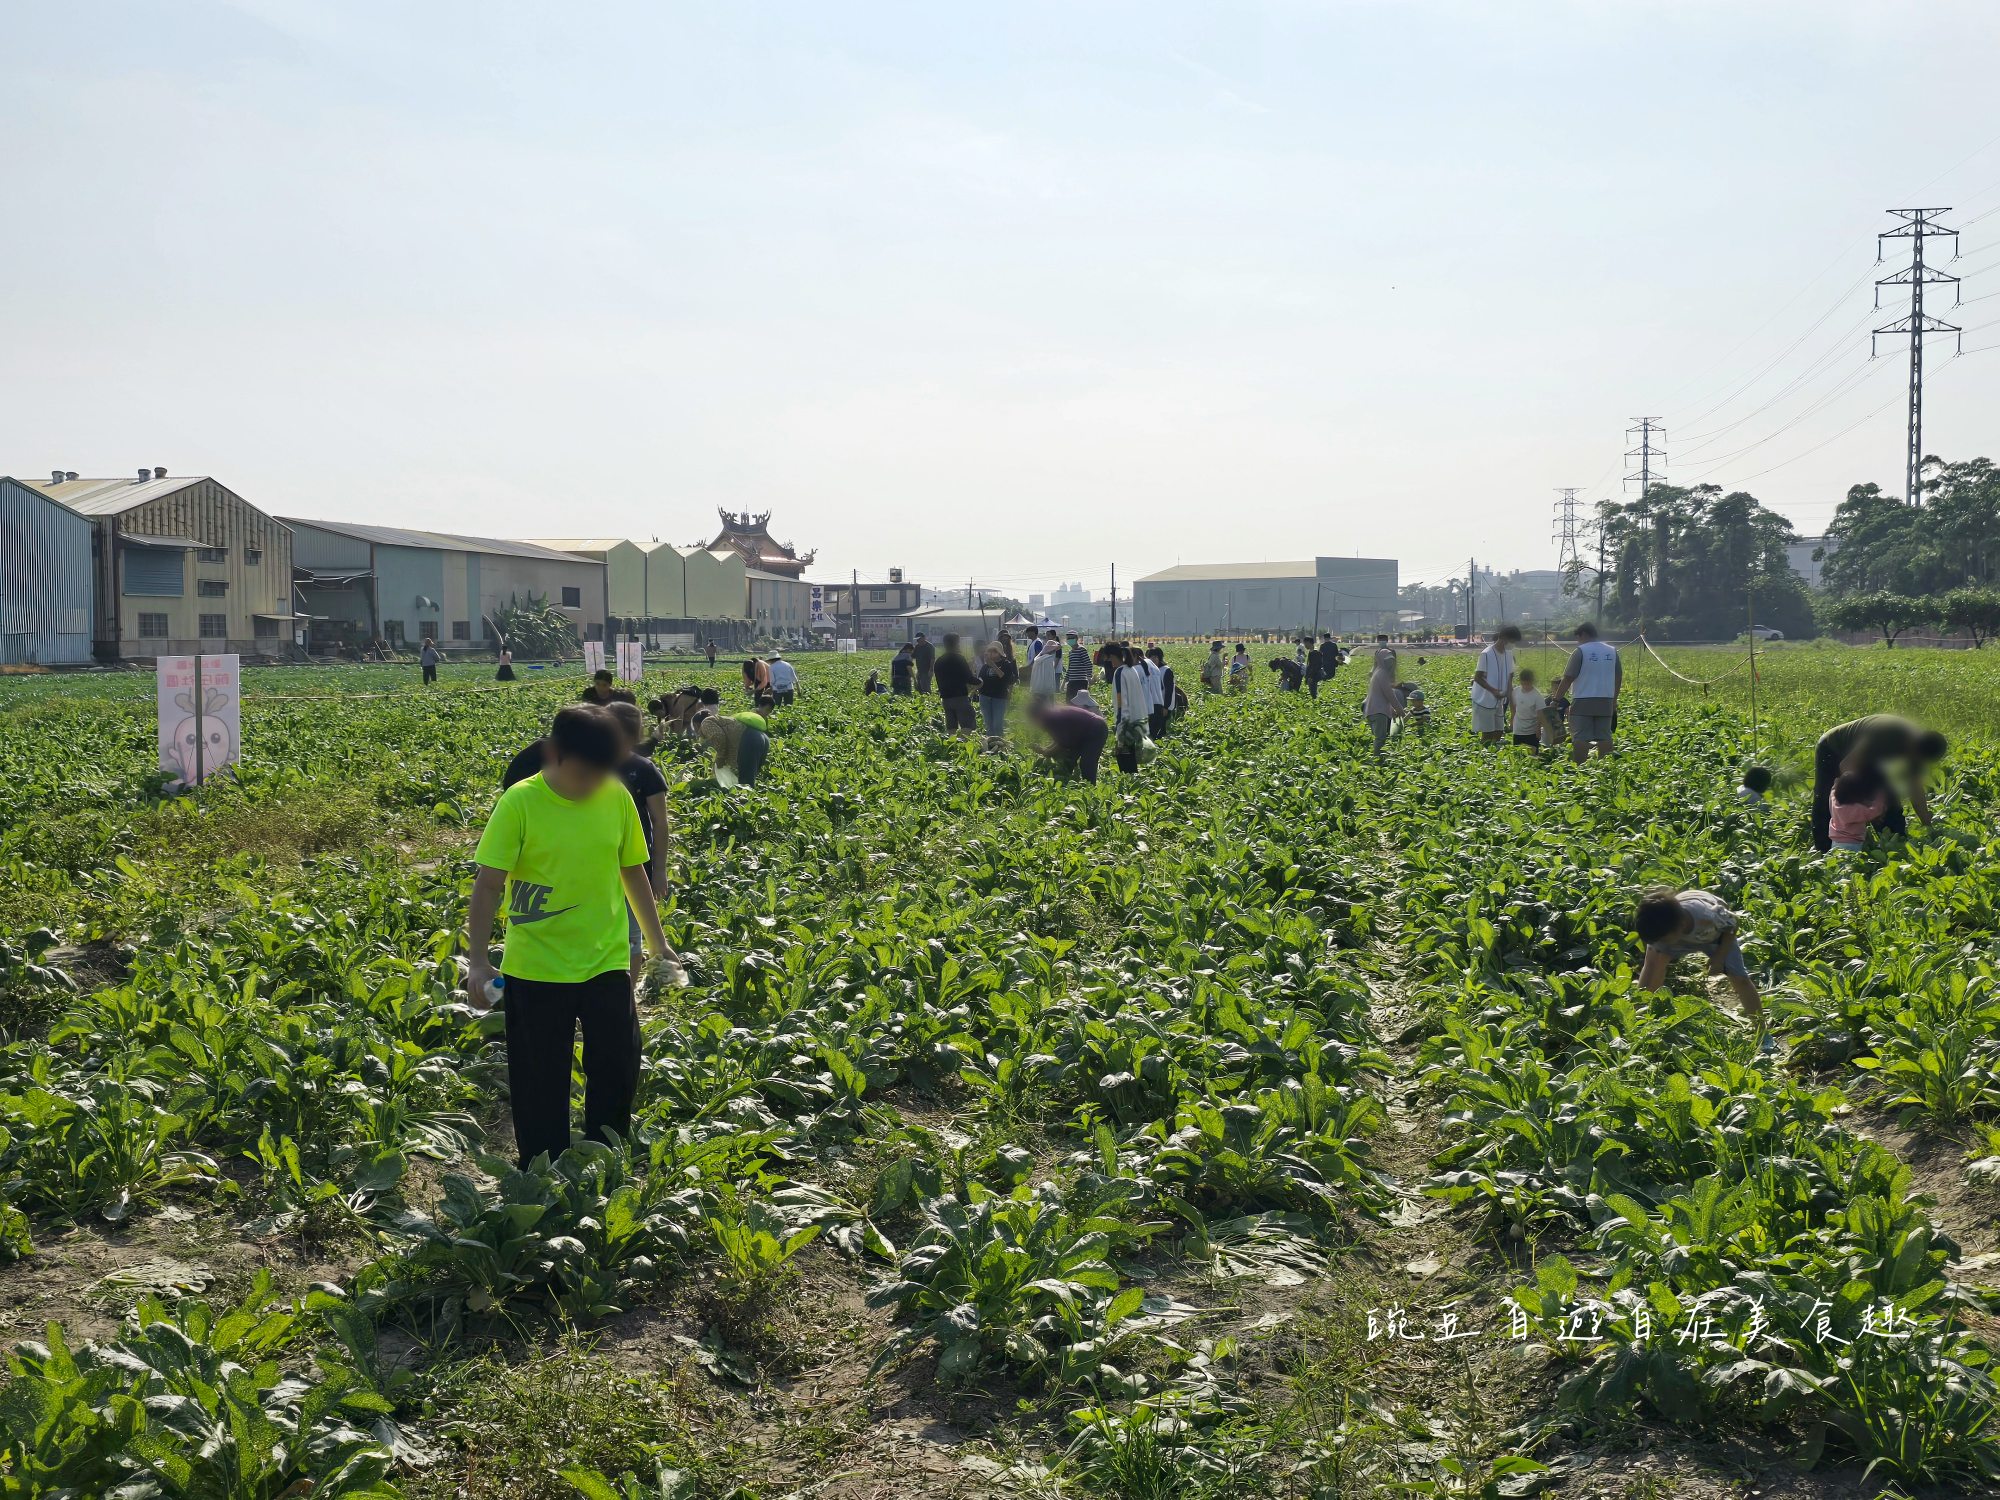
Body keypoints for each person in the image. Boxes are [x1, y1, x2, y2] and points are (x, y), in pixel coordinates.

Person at [466, 705, 670, 1168]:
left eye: (601, 774)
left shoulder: (615, 794)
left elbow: (632, 871)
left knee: (617, 1067)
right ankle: (542, 1171)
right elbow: (488, 885)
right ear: (555, 754)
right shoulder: (519, 802)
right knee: (540, 1079)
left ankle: (605, 1159)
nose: (590, 786)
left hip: (606, 961)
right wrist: (478, 961)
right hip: (537, 969)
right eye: (583, 774)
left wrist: (657, 942)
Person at [1809, 715, 1947, 853]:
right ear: (1912, 745)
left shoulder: (1919, 750)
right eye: (1914, 756)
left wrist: (1927, 824)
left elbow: (1915, 789)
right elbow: (1846, 766)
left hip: (1867, 758)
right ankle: (1824, 850)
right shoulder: (1885, 734)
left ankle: (1895, 841)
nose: (1913, 761)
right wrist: (1866, 806)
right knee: (1831, 799)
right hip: (1834, 748)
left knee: (1885, 797)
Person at [1635, 887, 1763, 1032]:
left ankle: (1762, 1031)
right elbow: (1651, 965)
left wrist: (1719, 957)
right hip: (1675, 935)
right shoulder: (1660, 930)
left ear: (1681, 926)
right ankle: (1642, 1016)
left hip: (1716, 935)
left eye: (1662, 940)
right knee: (1654, 965)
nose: (1659, 943)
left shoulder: (1707, 916)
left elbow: (1732, 924)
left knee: (1740, 978)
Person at [1553, 622, 1622, 762]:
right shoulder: (1611, 651)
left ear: (1583, 634)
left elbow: (1568, 678)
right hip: (1606, 700)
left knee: (1580, 737)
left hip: (1583, 699)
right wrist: (1614, 700)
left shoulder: (1581, 651)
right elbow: (1618, 676)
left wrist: (1556, 700)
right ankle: (1605, 767)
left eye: (1578, 637)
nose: (1578, 641)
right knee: (1604, 736)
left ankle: (1580, 767)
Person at [1029, 697, 1109, 782]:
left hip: (1096, 729)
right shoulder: (1051, 717)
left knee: (1087, 763)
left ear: (1040, 715)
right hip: (1081, 733)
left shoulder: (1053, 717)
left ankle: (1091, 788)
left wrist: (1046, 752)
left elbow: (1062, 744)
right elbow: (1059, 740)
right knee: (1069, 759)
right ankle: (1068, 782)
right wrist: (1046, 749)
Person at [1470, 625, 1520, 744]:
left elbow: (1509, 680)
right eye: (1511, 641)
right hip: (1484, 700)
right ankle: (1484, 757)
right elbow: (1477, 678)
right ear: (1502, 637)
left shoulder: (1509, 655)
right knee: (1487, 734)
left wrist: (1513, 708)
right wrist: (1493, 691)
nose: (1512, 644)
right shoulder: (1486, 654)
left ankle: (1492, 755)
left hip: (1499, 701)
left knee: (1499, 731)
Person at [698, 707, 770, 785]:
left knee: (745, 783)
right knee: (749, 777)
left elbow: (719, 736)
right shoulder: (724, 721)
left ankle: (745, 795)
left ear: (696, 724)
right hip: (763, 738)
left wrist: (720, 758)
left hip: (750, 738)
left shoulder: (705, 723)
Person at [1827, 766, 1889, 853]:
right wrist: (1880, 796)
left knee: (1839, 863)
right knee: (1850, 865)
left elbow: (1833, 790)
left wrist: (1837, 783)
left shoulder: (1834, 801)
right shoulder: (1854, 810)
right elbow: (1875, 811)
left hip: (1836, 842)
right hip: (1852, 844)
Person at [1112, 646, 1153, 774]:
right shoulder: (1132, 670)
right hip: (1137, 721)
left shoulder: (1120, 673)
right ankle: (1133, 781)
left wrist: (1120, 728)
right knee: (1130, 756)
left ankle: (1128, 783)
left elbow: (1121, 703)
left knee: (1123, 757)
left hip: (1126, 723)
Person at [933, 633, 978, 736]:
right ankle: (964, 747)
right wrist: (980, 682)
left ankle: (952, 747)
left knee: (951, 726)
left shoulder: (939, 661)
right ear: (957, 643)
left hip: (946, 699)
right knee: (967, 725)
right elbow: (969, 678)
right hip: (960, 698)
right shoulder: (959, 659)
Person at [1362, 652, 1403, 753]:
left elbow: (1380, 696)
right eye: (1388, 661)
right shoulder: (1383, 674)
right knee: (1380, 739)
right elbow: (1389, 695)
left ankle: (1378, 759)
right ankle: (1377, 762)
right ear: (1381, 661)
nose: (1390, 663)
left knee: (1379, 737)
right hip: (1378, 712)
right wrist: (1400, 710)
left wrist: (1392, 710)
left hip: (1372, 710)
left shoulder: (1378, 672)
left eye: (1391, 660)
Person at [977, 643, 1014, 743]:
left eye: (994, 651)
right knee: (988, 724)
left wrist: (993, 665)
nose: (991, 653)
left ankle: (1000, 744)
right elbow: (980, 680)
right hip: (985, 697)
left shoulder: (1006, 664)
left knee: (997, 724)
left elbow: (1005, 678)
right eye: (989, 651)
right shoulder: (985, 666)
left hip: (999, 697)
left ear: (1000, 653)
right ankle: (991, 745)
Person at [1511, 669, 1547, 749]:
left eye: (1528, 684)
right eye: (1523, 684)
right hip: (1518, 730)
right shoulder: (1516, 691)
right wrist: (1512, 720)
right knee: (1518, 754)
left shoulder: (1537, 696)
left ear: (1532, 681)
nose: (1525, 686)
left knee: (1532, 756)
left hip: (1532, 731)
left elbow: (1540, 714)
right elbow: (1513, 707)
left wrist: (1538, 729)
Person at [1146, 646, 1177, 736]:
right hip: (1154, 705)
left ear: (1160, 658)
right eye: (1151, 657)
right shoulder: (1150, 670)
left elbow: (1169, 690)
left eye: (1156, 657)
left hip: (1163, 705)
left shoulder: (1166, 670)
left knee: (1160, 730)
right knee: (1153, 729)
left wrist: (1166, 707)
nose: (1154, 659)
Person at [1028, 635, 1062, 709]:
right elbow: (1049, 677)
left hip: (1036, 687)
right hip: (1046, 690)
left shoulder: (1037, 659)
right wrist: (1051, 692)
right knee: (1046, 709)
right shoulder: (1049, 659)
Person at [1064, 632, 1093, 699]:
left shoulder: (1081, 650)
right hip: (1072, 681)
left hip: (1081, 681)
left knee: (1080, 703)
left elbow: (1088, 664)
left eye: (1071, 638)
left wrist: (1089, 678)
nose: (1069, 640)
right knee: (1070, 702)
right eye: (1068, 638)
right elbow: (1070, 668)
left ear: (1076, 638)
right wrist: (1064, 681)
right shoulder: (1071, 652)